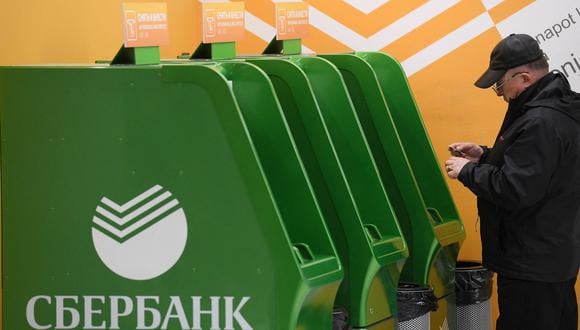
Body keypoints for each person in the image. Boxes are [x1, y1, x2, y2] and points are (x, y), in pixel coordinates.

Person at [445, 33, 580, 330]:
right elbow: (536, 168)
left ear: (524, 77)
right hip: (550, 255)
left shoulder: (539, 121)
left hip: (530, 262)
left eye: (500, 84)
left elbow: (515, 189)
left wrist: (467, 171)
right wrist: (484, 155)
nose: (500, 92)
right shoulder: (555, 110)